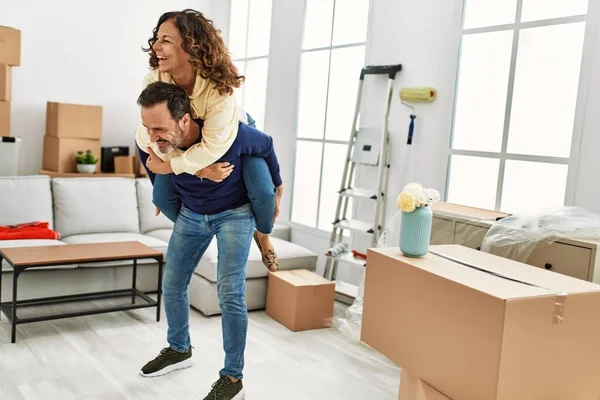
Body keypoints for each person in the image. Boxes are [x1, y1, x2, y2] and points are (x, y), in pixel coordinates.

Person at [137, 81, 281, 400]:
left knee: (230, 293)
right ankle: (178, 349)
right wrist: (164, 189)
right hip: (191, 214)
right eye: (148, 128)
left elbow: (267, 144)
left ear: (185, 120)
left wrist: (279, 185)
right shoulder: (155, 139)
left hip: (235, 214)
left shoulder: (231, 133)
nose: (152, 136)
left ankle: (232, 378)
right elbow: (149, 159)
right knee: (172, 284)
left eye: (159, 128)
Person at [136, 9, 281, 271]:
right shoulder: (156, 79)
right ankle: (201, 226)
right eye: (156, 38)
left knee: (262, 193)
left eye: (166, 40)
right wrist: (178, 171)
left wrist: (170, 166)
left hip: (233, 135)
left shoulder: (219, 91)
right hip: (193, 146)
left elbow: (213, 148)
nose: (155, 46)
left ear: (191, 47)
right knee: (162, 197)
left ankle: (263, 235)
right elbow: (144, 135)